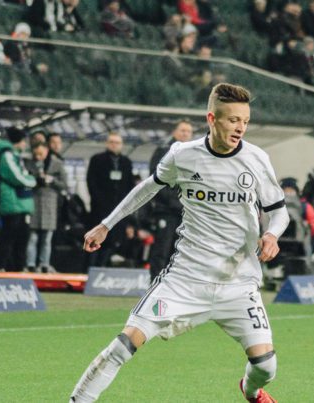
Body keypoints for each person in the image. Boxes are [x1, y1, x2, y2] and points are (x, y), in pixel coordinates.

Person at [70, 83, 287, 403]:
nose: (240, 127)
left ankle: (251, 390)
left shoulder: (256, 159)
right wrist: (106, 225)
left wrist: (271, 234)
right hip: (184, 280)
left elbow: (279, 212)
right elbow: (147, 188)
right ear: (212, 119)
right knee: (123, 345)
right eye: (233, 120)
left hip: (238, 283)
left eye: (245, 121)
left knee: (266, 367)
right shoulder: (183, 155)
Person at [146, 120, 193, 281]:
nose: (185, 134)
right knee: (162, 249)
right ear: (174, 132)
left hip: (185, 212)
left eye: (188, 131)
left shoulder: (193, 154)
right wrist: (173, 202)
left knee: (178, 251)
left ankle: (172, 285)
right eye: (182, 130)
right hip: (166, 210)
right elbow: (155, 180)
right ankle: (155, 284)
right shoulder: (163, 151)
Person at [86, 132, 135, 266]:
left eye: (117, 142)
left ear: (122, 145)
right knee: (95, 240)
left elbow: (130, 185)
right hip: (100, 208)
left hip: (118, 209)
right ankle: (90, 269)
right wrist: (99, 200)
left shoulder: (126, 162)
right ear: (107, 143)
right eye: (111, 142)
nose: (114, 145)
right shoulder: (97, 159)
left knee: (112, 242)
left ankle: (103, 268)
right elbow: (91, 182)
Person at [0, 128, 36, 272]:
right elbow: (17, 177)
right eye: (24, 141)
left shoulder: (16, 156)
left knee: (22, 238)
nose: (25, 144)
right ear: (18, 141)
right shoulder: (7, 156)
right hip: (11, 203)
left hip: (20, 203)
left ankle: (19, 269)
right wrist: (33, 181)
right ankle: (0, 267)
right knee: (8, 237)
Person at [25, 141, 67, 273]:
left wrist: (52, 180)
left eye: (41, 154)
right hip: (34, 203)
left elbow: (64, 184)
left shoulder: (57, 164)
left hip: (50, 204)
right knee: (32, 237)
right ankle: (30, 264)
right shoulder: (28, 164)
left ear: (47, 151)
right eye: (36, 154)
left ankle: (44, 264)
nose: (38, 157)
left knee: (47, 238)